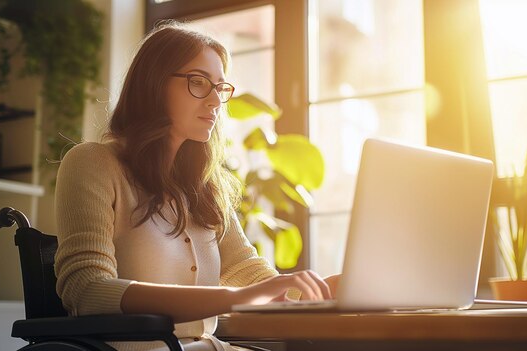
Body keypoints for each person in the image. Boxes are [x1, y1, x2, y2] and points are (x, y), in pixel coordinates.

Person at [54, 22, 338, 351]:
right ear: (154, 84)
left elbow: (249, 273)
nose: (216, 100)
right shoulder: (93, 162)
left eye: (220, 87)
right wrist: (236, 297)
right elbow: (86, 290)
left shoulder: (206, 186)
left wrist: (331, 289)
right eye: (199, 82)